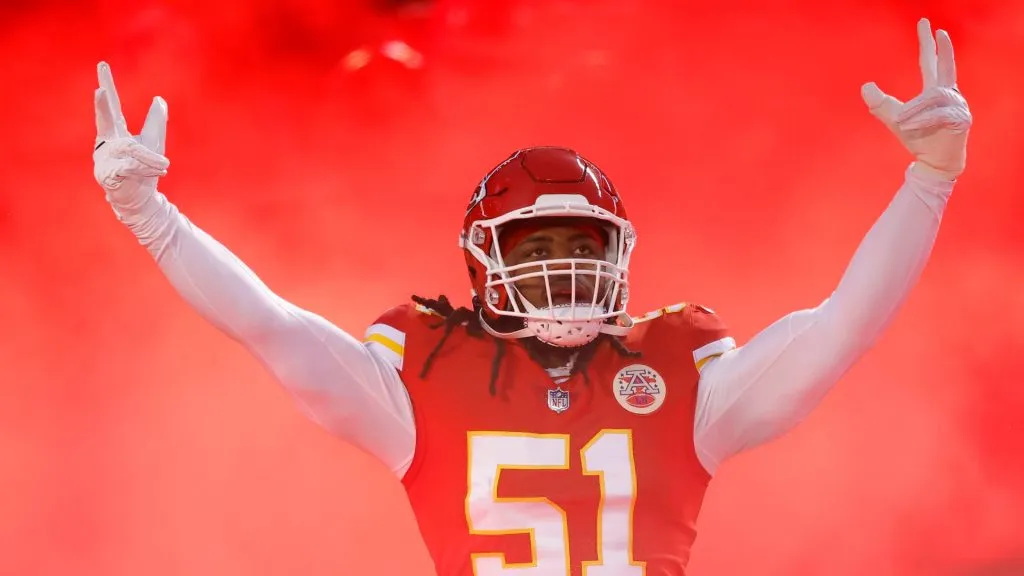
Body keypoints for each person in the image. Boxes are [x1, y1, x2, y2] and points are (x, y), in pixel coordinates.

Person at [91, 17, 971, 576]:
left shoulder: (683, 372)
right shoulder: (421, 376)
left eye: (581, 245)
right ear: (484, 263)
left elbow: (843, 327)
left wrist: (928, 181)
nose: (562, 266)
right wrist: (152, 218)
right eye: (536, 245)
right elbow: (267, 325)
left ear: (620, 256)